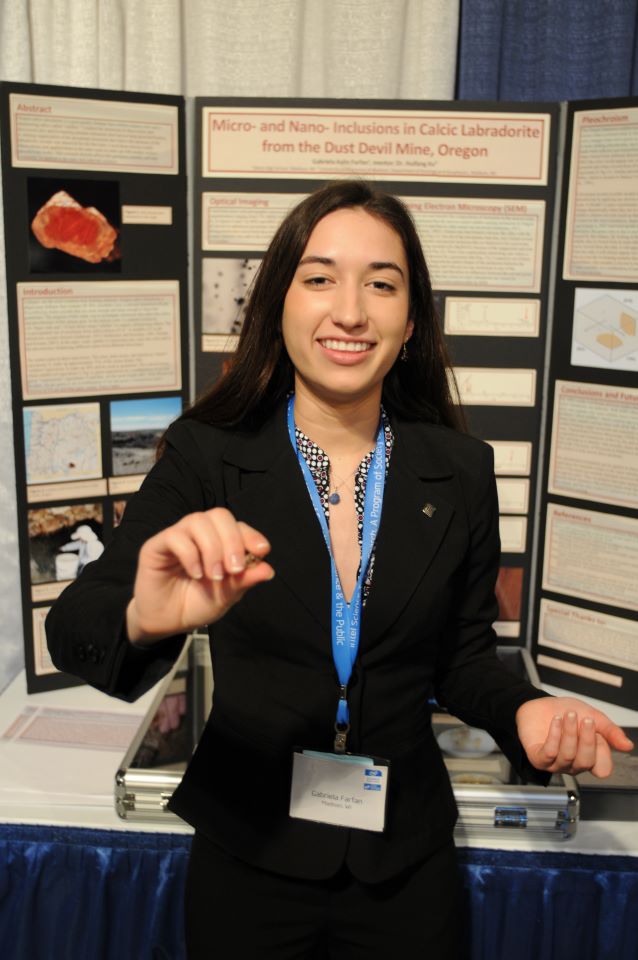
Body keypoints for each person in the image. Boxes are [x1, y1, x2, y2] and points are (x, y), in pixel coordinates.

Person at [46, 180, 633, 959]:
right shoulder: (208, 454)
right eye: (319, 278)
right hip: (248, 846)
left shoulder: (459, 469)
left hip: (404, 860)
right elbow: (75, 630)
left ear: (412, 317)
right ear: (278, 304)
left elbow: (461, 659)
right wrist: (139, 617)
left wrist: (522, 713)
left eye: (381, 284)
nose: (350, 311)